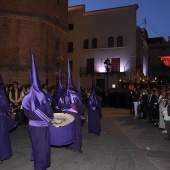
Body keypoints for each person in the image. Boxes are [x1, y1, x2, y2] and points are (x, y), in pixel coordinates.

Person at [22, 50, 53, 170]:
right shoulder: (42, 95)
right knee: (43, 145)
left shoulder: (26, 96)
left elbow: (26, 112)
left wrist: (32, 117)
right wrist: (51, 117)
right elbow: (49, 111)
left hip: (32, 125)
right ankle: (41, 165)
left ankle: (37, 163)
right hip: (42, 125)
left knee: (35, 144)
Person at [58, 58, 84, 153]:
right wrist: (80, 111)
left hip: (66, 114)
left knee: (68, 129)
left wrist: (65, 108)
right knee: (77, 130)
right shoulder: (75, 93)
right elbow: (80, 105)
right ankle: (77, 146)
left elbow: (59, 103)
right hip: (75, 114)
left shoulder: (63, 93)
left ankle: (68, 143)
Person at [0, 74, 18, 164]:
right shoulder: (1, 92)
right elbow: (4, 104)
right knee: (2, 137)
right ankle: (2, 155)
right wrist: (9, 110)